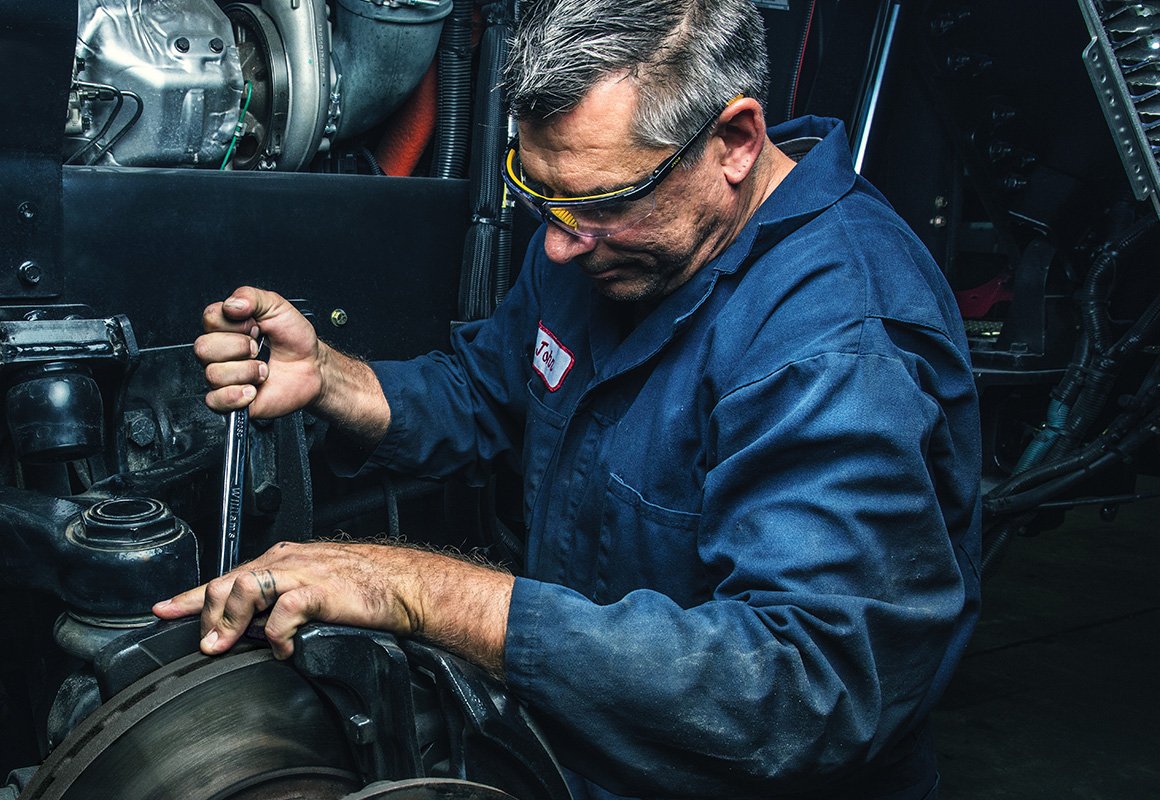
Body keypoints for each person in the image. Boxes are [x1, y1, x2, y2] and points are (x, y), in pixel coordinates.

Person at [154, 1, 981, 797]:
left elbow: (807, 690)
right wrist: (334, 378)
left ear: (733, 140)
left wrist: (415, 589)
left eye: (603, 203)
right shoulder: (602, 237)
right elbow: (490, 391)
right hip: (572, 759)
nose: (556, 242)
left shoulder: (836, 343)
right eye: (538, 190)